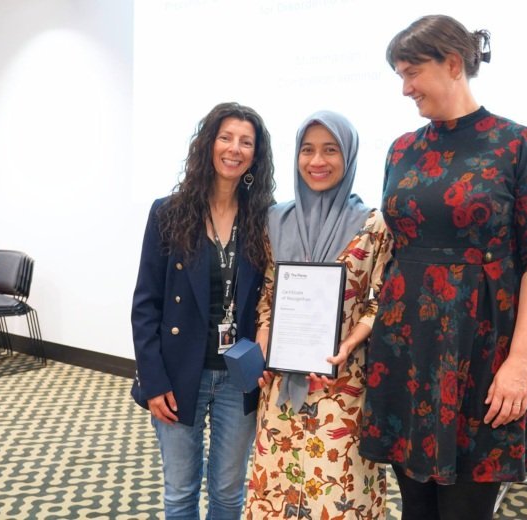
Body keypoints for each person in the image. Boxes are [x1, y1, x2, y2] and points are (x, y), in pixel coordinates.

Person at [359, 15, 527, 520]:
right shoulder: (402, 149)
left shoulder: (518, 144)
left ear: (453, 64)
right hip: (407, 348)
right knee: (415, 508)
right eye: (399, 76)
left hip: (482, 351)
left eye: (411, 73)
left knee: (464, 510)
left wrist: (519, 364)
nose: (405, 88)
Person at [244, 111, 393, 519]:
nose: (317, 161)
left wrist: (348, 343)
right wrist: (264, 338)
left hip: (342, 383)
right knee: (277, 486)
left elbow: (381, 300)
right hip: (282, 383)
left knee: (338, 492)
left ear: (348, 157)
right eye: (307, 150)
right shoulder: (276, 219)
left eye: (330, 150)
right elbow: (268, 292)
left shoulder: (372, 224)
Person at [131, 101, 275, 519]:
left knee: (229, 494)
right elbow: (145, 304)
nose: (235, 148)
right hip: (178, 373)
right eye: (225, 137)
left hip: (240, 376)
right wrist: (153, 381)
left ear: (255, 155)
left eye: (246, 142)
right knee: (180, 492)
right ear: (208, 144)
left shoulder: (265, 218)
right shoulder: (169, 212)